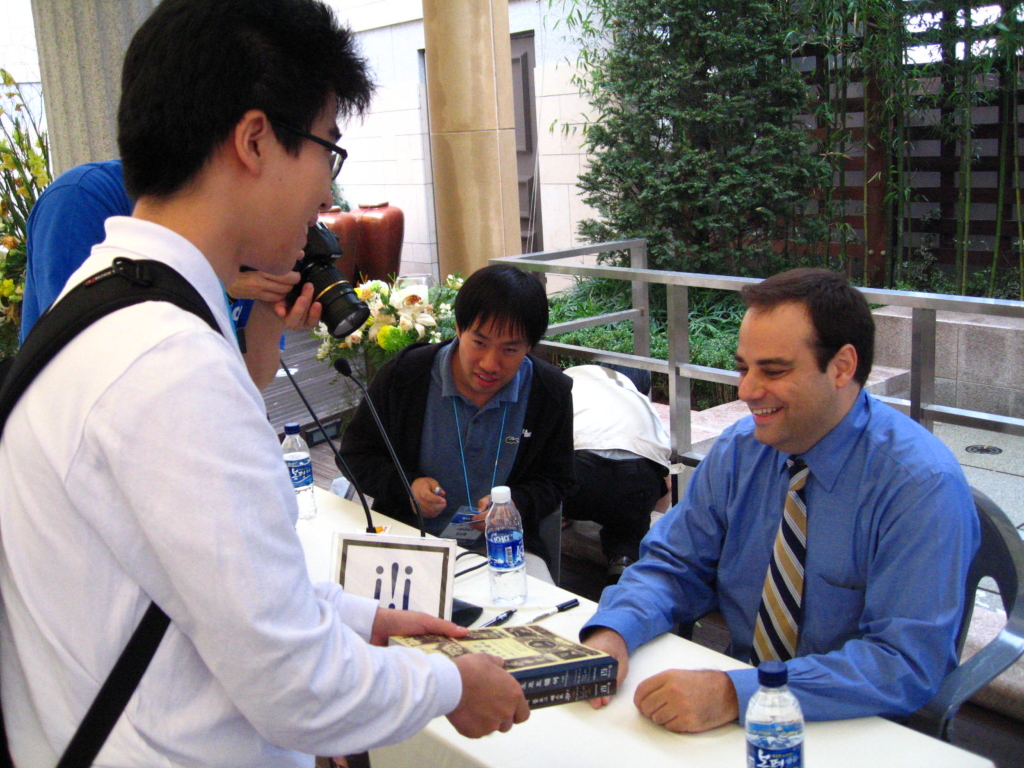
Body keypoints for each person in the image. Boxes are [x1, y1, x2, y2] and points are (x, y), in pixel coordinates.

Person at [0, 1, 528, 765]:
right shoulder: (167, 364)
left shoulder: (101, 302)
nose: (327, 199)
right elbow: (297, 686)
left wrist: (361, 619)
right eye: (326, 152)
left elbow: (210, 587)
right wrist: (451, 687)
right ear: (253, 140)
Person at [582, 268, 979, 732]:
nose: (746, 391)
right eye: (743, 367)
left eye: (772, 370)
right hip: (740, 710)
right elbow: (674, 565)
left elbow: (904, 662)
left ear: (842, 367)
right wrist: (614, 630)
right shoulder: (738, 451)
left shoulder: (919, 487)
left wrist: (739, 694)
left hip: (858, 727)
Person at [338, 264, 575, 580]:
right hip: (410, 540)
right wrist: (406, 486)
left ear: (529, 347)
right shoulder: (406, 376)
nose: (490, 364)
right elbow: (355, 455)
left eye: (510, 349)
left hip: (504, 547)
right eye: (479, 342)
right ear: (460, 329)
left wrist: (514, 503)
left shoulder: (549, 392)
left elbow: (558, 480)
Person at [20, 158, 319, 390]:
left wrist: (272, 303)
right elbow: (85, 373)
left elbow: (249, 380)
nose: (324, 202)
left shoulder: (245, 234)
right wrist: (213, 280)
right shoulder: (83, 198)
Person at [561, 364, 671, 583]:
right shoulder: (641, 404)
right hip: (637, 476)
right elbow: (665, 489)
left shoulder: (570, 378)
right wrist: (638, 513)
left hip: (576, 473)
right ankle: (622, 560)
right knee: (630, 521)